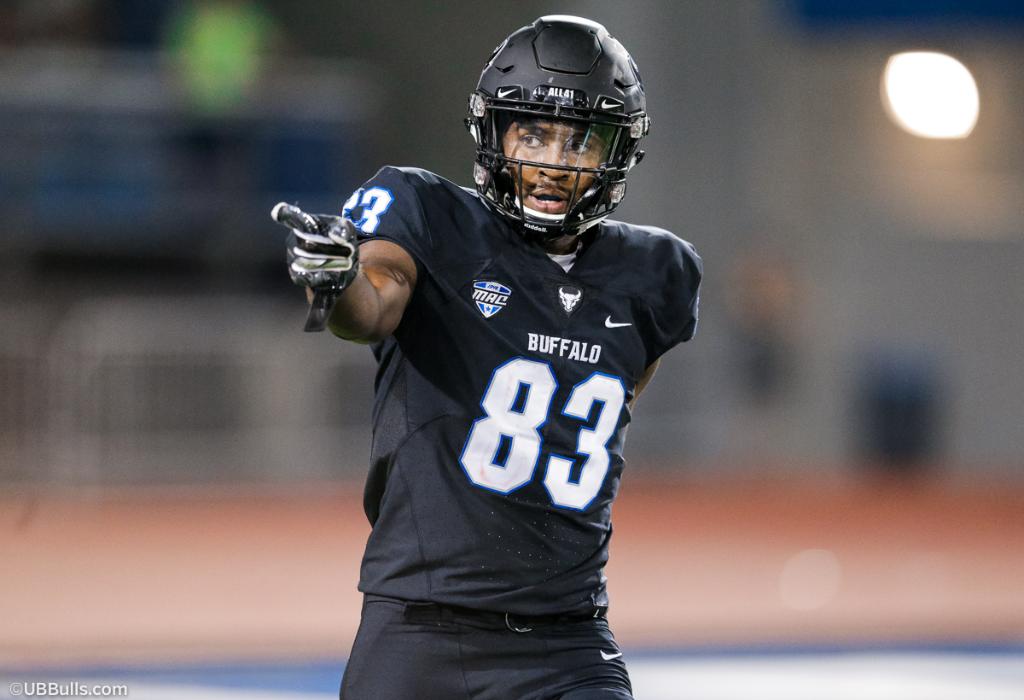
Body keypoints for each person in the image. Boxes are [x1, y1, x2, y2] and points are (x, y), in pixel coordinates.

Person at [283, 15, 702, 700]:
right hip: (421, 633)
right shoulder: (428, 216)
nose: (553, 161)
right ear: (494, 131)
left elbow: (610, 399)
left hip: (571, 641)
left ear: (616, 153)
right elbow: (373, 306)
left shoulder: (657, 273)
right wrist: (338, 281)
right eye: (533, 131)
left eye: (580, 140)